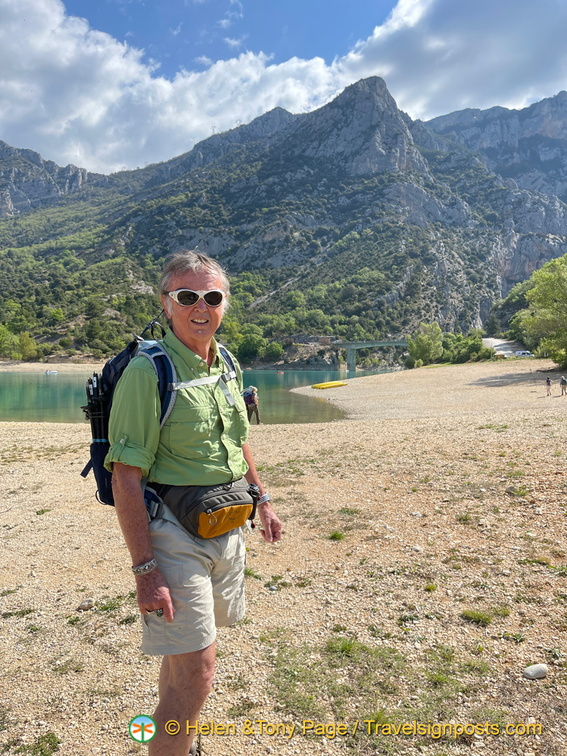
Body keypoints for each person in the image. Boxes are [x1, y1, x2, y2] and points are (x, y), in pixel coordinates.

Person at [104, 250, 282, 756]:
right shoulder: (148, 372)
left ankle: (176, 741)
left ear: (225, 303)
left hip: (226, 525)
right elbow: (125, 476)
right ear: (166, 304)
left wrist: (263, 500)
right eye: (187, 296)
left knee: (182, 661)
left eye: (212, 296)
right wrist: (145, 570)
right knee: (200, 673)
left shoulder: (227, 363)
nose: (200, 307)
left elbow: (238, 441)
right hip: (173, 537)